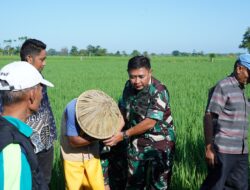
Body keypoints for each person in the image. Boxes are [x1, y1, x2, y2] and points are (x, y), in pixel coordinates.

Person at [104, 56, 176, 189]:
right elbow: (122, 112)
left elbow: (150, 122)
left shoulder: (159, 90)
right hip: (136, 141)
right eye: (132, 76)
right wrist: (116, 132)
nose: (136, 81)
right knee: (134, 183)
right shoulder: (128, 86)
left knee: (158, 184)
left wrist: (124, 135)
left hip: (160, 143)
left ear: (150, 72)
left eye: (141, 76)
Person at [0, 61, 54, 189]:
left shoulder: (6, 130)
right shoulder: (12, 149)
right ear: (32, 95)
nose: (42, 94)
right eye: (41, 88)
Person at [200, 54, 250, 189]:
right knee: (215, 186)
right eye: (249, 72)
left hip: (241, 151)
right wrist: (209, 148)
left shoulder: (241, 89)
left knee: (240, 186)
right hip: (223, 151)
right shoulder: (224, 86)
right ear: (239, 68)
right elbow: (209, 116)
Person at [61, 90, 123, 190]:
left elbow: (120, 120)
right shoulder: (72, 109)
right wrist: (99, 138)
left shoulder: (107, 106)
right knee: (74, 186)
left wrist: (112, 134)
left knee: (97, 186)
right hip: (72, 155)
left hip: (92, 154)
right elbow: (73, 141)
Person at [20, 39, 57, 186]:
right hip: (26, 143)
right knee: (26, 182)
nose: (44, 63)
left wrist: (52, 134)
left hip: (45, 142)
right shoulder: (13, 81)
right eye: (42, 59)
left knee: (44, 182)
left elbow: (46, 108)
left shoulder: (40, 79)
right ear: (29, 59)